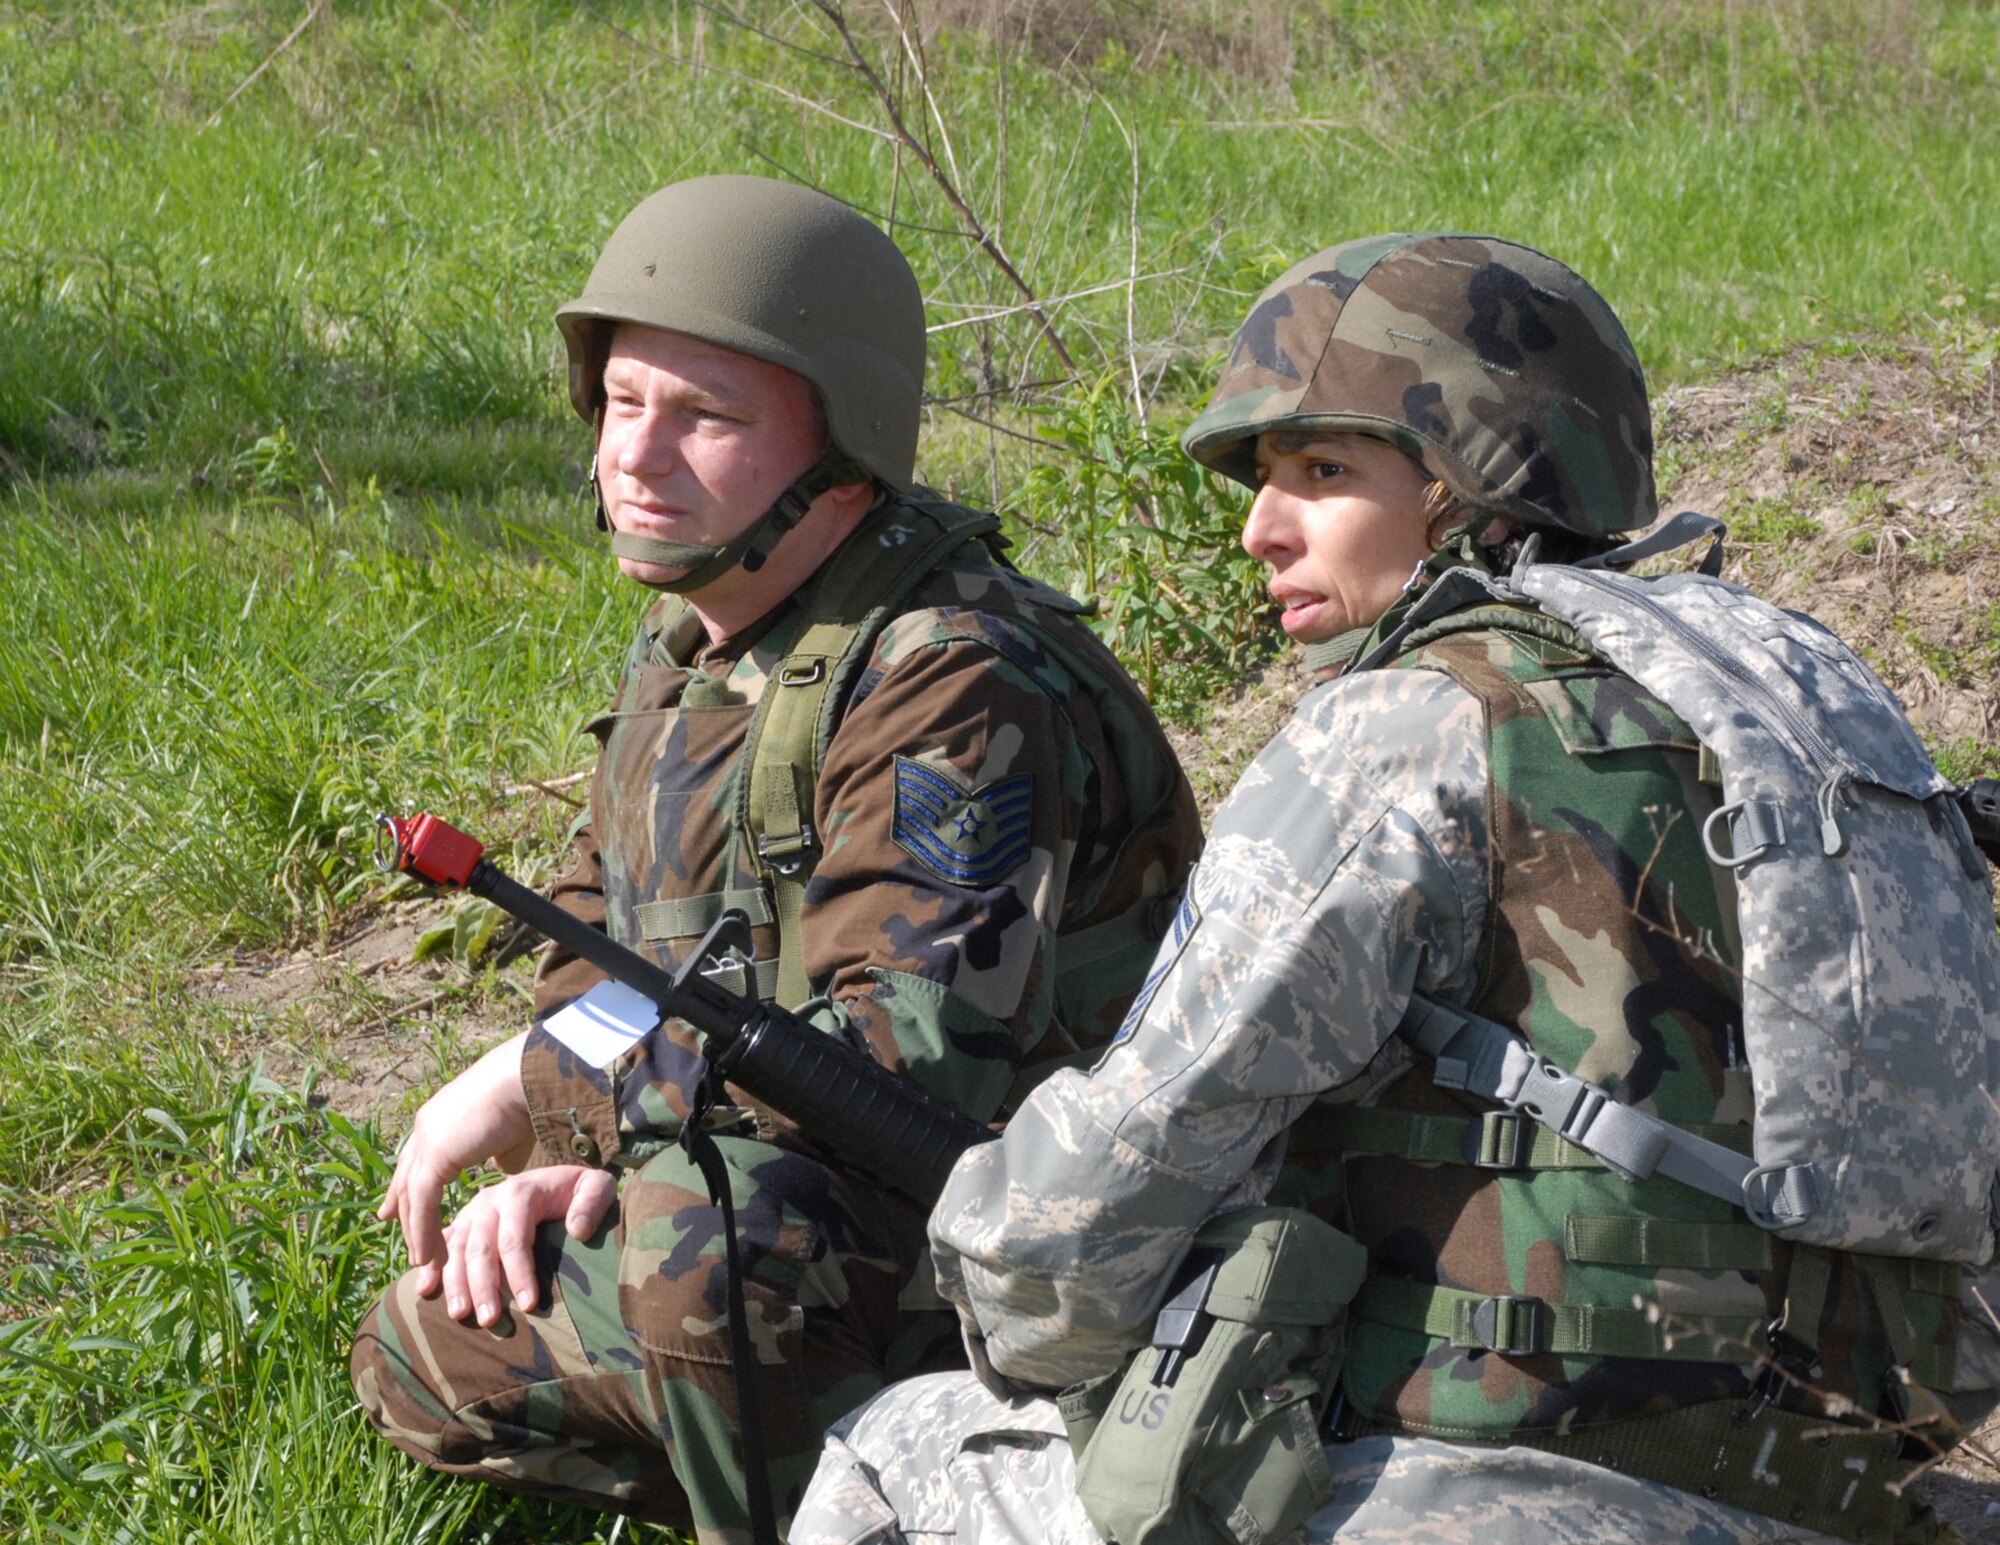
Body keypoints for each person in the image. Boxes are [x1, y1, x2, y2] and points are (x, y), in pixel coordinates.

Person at [793, 234, 1999, 1544]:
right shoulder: (1824, 715)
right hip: (1875, 1500)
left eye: (1322, 472)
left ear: (1465, 487)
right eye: (1265, 481)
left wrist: (989, 1266)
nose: (1260, 527)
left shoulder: (1414, 721)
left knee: (887, 1447)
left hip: (1501, 1495)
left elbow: (1097, 1200)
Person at [349, 174, 1202, 1542]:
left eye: (707, 416)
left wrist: (546, 1086)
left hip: (1049, 1238)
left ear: (847, 450)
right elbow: (609, 921)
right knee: (429, 1339)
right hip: (805, 1170)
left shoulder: (953, 680)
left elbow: (901, 1057)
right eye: (624, 402)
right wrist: (591, 1150)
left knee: (708, 1259)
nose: (637, 453)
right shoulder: (706, 639)